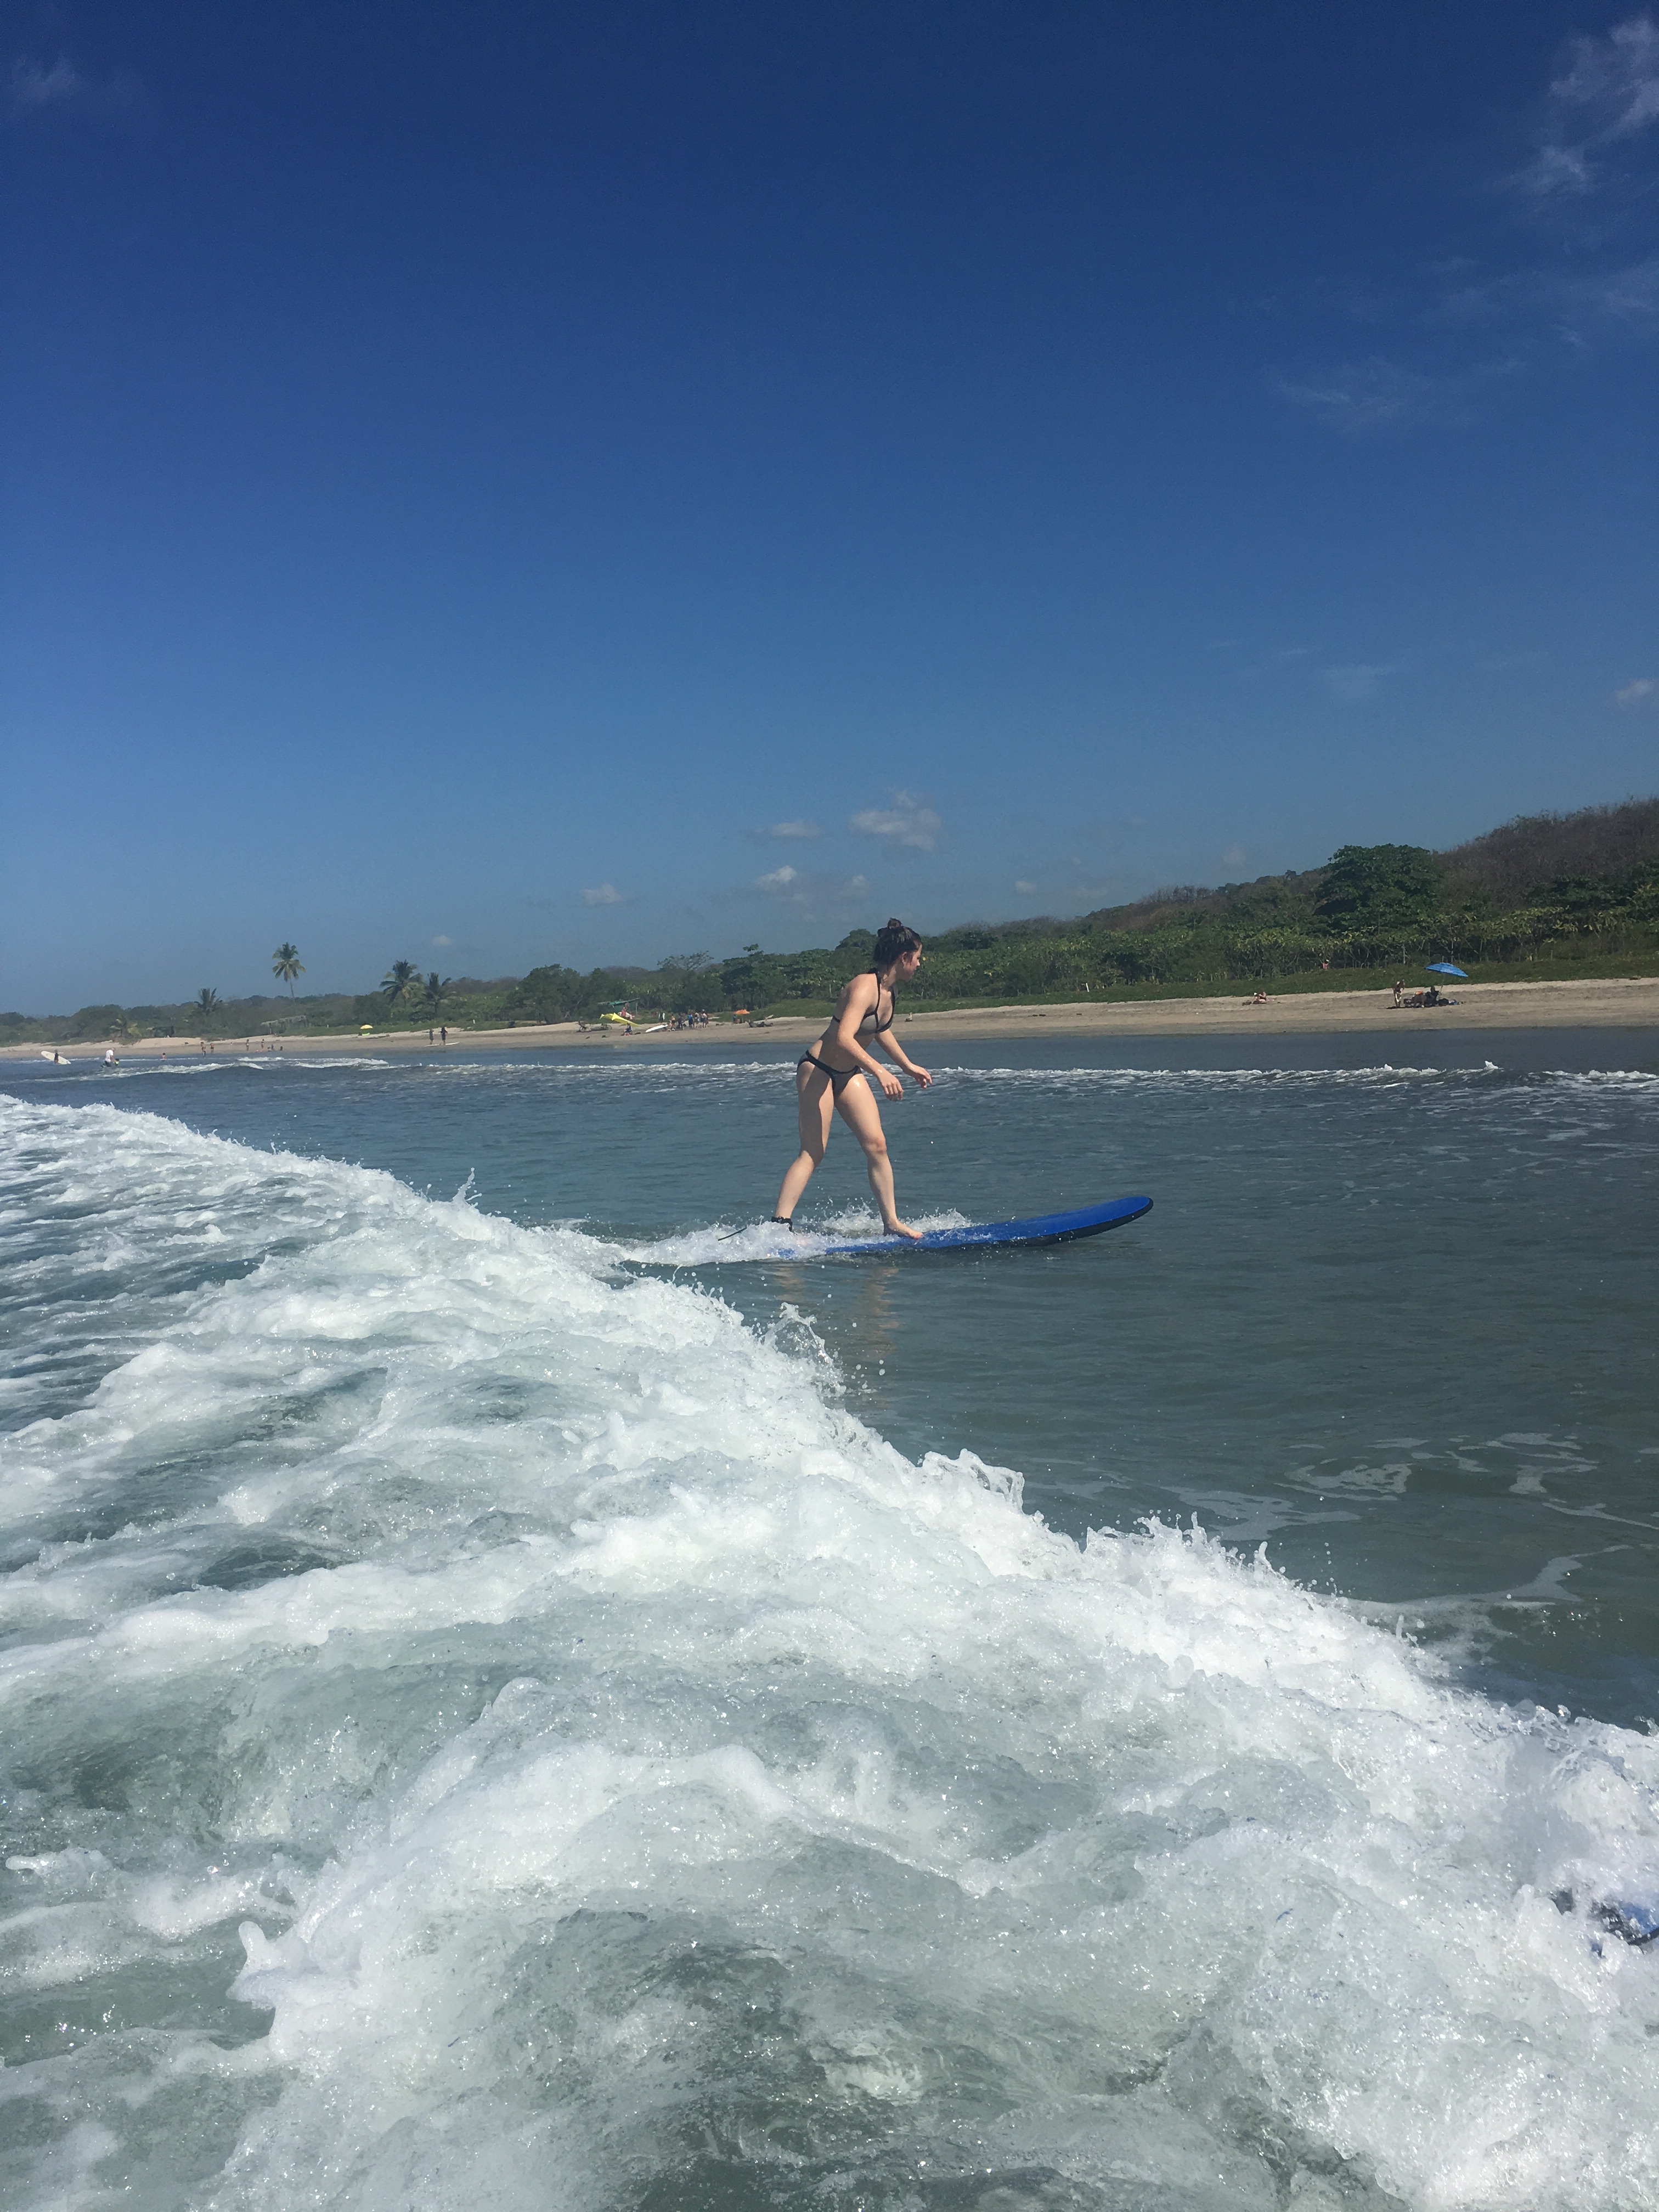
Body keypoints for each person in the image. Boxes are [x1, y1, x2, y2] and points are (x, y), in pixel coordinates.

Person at [772, 918, 933, 1239]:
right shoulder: (863, 987)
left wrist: (907, 1066)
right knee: (813, 1152)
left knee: (877, 1145)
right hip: (818, 1069)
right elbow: (844, 1037)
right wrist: (880, 1071)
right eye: (917, 958)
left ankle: (891, 1223)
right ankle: (778, 1226)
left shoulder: (889, 992)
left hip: (848, 1074)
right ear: (903, 957)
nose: (919, 964)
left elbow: (880, 1030)